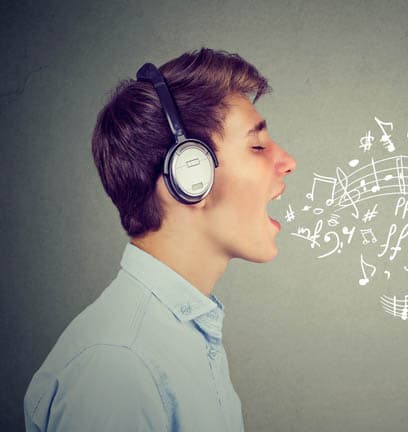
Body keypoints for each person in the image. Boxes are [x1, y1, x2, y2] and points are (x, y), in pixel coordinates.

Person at [24, 48, 296, 431]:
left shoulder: (175, 339)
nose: (288, 161)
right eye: (256, 145)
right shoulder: (120, 368)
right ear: (189, 176)